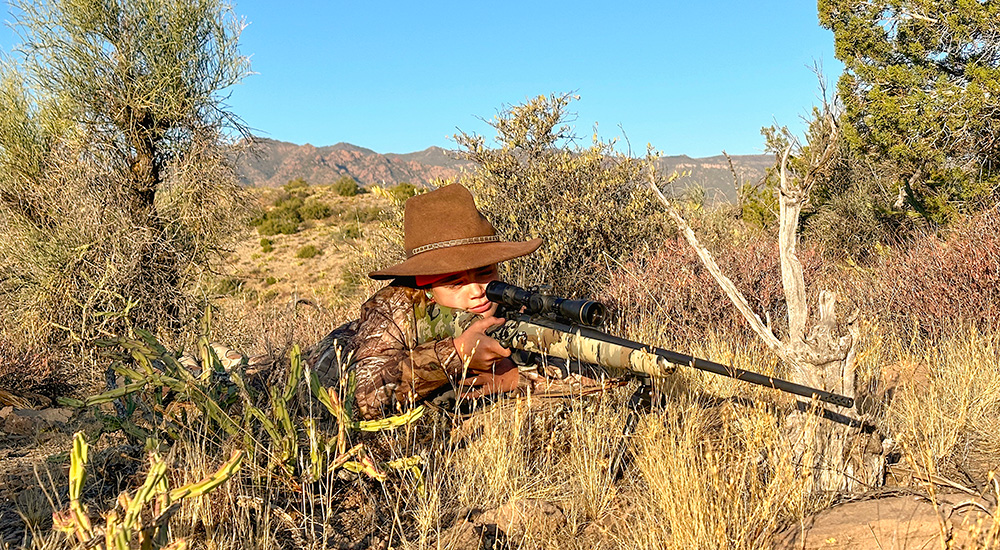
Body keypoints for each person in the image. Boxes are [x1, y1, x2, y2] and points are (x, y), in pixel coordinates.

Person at [307, 183, 542, 419]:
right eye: (454, 282)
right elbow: (362, 395)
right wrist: (457, 354)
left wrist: (517, 378)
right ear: (423, 282)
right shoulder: (393, 307)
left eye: (484, 273)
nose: (476, 291)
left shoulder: (509, 302)